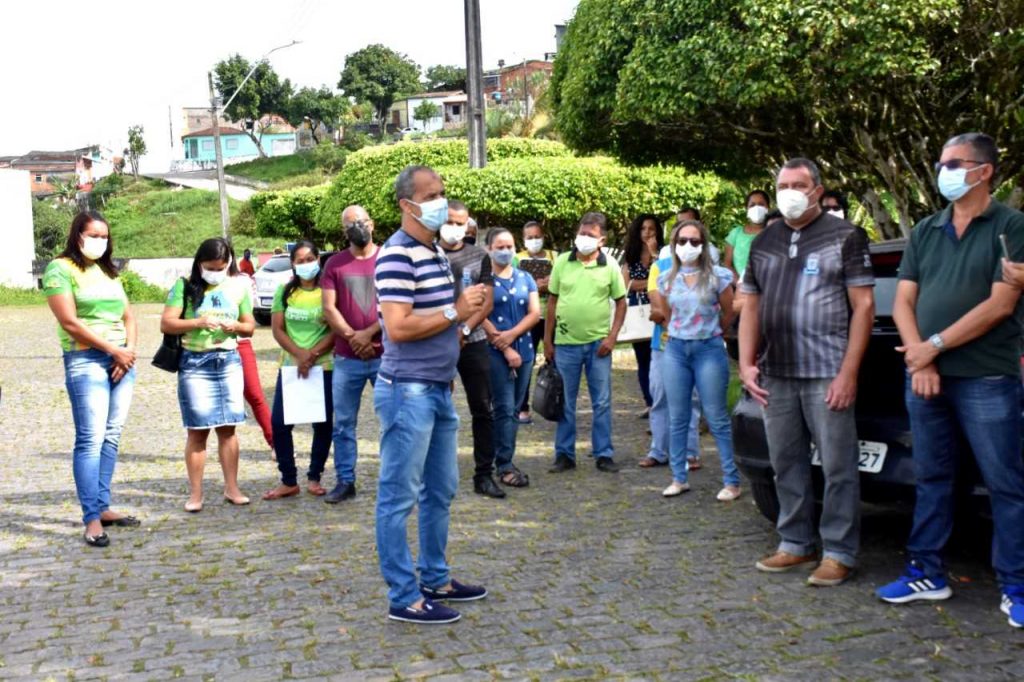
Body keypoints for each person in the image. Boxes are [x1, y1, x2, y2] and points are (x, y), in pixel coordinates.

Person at [876, 133, 1024, 629]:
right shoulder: (926, 228)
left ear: (984, 170)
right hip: (928, 377)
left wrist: (930, 349)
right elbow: (902, 301)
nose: (945, 172)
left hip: (986, 376)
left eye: (954, 163)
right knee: (933, 477)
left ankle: (1016, 585)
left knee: (1005, 482)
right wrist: (921, 360)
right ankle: (925, 571)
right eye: (942, 163)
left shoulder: (1012, 226)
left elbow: (1001, 304)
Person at [739, 157, 875, 586]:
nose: (790, 192)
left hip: (827, 370)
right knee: (785, 462)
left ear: (817, 189)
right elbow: (751, 306)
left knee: (837, 466)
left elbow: (865, 307)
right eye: (783, 184)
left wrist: (848, 372)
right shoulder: (765, 241)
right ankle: (795, 543)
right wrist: (745, 363)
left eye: (799, 184)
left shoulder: (846, 236)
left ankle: (839, 551)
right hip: (776, 372)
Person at [374, 164, 488, 624]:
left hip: (439, 388)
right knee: (398, 497)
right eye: (433, 194)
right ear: (408, 205)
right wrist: (455, 310)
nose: (443, 201)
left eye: (443, 192)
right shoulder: (397, 254)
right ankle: (403, 595)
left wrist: (461, 322)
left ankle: (435, 577)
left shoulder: (436, 253)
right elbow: (398, 328)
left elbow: (442, 319)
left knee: (441, 491)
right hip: (408, 392)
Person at [44, 211, 139, 547]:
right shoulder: (60, 269)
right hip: (86, 360)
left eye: (104, 235)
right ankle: (91, 519)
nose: (99, 240)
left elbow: (129, 316)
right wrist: (114, 350)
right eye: (93, 234)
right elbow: (69, 322)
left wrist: (128, 351)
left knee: (111, 435)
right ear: (78, 235)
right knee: (90, 438)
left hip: (121, 361)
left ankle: (103, 504)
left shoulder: (107, 270)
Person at [161, 238, 256, 512]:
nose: (215, 271)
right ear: (199, 263)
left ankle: (232, 487)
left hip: (227, 361)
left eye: (221, 267)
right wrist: (198, 322)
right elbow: (167, 323)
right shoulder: (184, 286)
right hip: (195, 363)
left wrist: (235, 325)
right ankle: (196, 493)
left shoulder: (239, 285)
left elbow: (249, 326)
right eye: (209, 267)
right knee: (198, 430)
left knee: (229, 428)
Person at [652, 220, 740, 500]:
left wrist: (714, 332)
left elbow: (729, 312)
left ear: (703, 245)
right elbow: (667, 316)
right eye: (682, 241)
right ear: (673, 245)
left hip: (709, 349)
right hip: (676, 350)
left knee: (716, 416)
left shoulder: (719, 276)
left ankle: (731, 481)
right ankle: (679, 478)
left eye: (694, 241)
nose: (687, 246)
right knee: (677, 416)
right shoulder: (666, 279)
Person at [545, 212, 628, 474]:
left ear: (601, 240)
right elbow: (552, 302)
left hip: (598, 345)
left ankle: (603, 453)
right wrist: (548, 340)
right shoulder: (562, 262)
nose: (583, 239)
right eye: (581, 233)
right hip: (566, 343)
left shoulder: (611, 265)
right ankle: (564, 454)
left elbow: (621, 302)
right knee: (565, 402)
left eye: (590, 236)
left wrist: (613, 336)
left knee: (601, 402)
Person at [440, 200, 504, 498]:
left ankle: (484, 474)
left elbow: (487, 302)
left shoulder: (480, 256)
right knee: (435, 408)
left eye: (461, 223)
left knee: (483, 408)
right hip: (435, 341)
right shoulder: (428, 254)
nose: (455, 228)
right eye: (450, 221)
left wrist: (463, 330)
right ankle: (435, 473)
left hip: (473, 340)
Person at [262, 241, 336, 501]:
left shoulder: (328, 290)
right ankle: (288, 479)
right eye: (300, 260)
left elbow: (335, 329)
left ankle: (315, 477)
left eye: (309, 259)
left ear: (318, 259)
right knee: (280, 425)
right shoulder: (285, 292)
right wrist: (299, 354)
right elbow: (277, 329)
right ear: (292, 264)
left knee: (323, 424)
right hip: (291, 367)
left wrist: (312, 354)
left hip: (323, 366)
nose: (306, 265)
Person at [321, 205, 383, 504]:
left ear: (371, 224)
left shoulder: (389, 258)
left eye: (360, 222)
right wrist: (353, 337)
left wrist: (368, 334)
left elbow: (400, 304)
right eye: (350, 224)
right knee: (344, 423)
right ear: (343, 231)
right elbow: (329, 308)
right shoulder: (334, 264)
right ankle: (346, 480)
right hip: (347, 357)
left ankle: (395, 479)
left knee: (393, 421)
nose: (357, 227)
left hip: (385, 354)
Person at [482, 227, 540, 488]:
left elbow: (534, 312)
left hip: (525, 350)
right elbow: (478, 315)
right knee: (503, 407)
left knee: (515, 408)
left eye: (509, 246)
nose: (505, 251)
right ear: (488, 249)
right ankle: (503, 464)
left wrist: (513, 336)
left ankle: (502, 456)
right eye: (500, 246)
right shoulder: (482, 281)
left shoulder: (525, 277)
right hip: (494, 352)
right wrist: (503, 344)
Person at [637, 250, 696, 470]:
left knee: (690, 398)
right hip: (662, 344)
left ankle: (690, 452)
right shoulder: (659, 266)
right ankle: (659, 451)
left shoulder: (703, 266)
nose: (686, 245)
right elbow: (657, 306)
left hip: (694, 343)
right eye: (680, 241)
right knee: (659, 395)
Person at [621, 214, 665, 418]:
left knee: (662, 359)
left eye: (652, 229)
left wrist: (655, 254)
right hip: (638, 314)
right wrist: (651, 283)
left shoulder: (664, 254)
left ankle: (663, 402)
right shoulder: (630, 256)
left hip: (660, 312)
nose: (647, 233)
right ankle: (650, 402)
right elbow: (626, 285)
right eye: (643, 229)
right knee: (643, 360)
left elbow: (665, 277)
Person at [516, 220, 557, 424]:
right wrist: (534, 286)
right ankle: (521, 407)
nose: (534, 240)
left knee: (555, 361)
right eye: (529, 237)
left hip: (552, 316)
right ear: (523, 240)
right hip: (527, 318)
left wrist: (551, 284)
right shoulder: (517, 259)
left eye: (537, 236)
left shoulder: (554, 257)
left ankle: (554, 403)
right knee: (526, 361)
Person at [235, 267, 274, 458]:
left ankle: (275, 442)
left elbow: (247, 320)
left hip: (239, 342)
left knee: (255, 395)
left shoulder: (243, 281)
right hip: (209, 347)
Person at [724, 190, 771, 279]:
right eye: (752, 205)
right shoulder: (736, 234)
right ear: (747, 209)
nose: (756, 208)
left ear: (768, 208)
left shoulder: (774, 232)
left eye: (761, 204)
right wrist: (740, 285)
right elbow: (727, 264)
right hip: (740, 288)